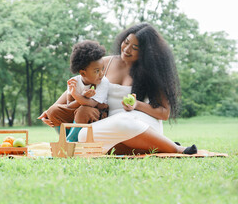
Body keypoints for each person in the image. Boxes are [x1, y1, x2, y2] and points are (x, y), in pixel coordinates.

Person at [38, 23, 197, 155]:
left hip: (142, 126)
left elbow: (164, 113)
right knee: (84, 134)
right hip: (108, 126)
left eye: (135, 47)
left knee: (124, 120)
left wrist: (137, 105)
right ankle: (149, 147)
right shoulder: (104, 63)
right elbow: (80, 83)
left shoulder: (152, 72)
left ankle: (176, 148)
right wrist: (53, 108)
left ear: (145, 52)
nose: (127, 49)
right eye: (126, 42)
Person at [45, 40, 110, 141]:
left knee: (83, 110)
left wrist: (79, 97)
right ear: (83, 73)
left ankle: (70, 142)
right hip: (77, 114)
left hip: (97, 115)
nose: (101, 73)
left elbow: (91, 104)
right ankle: (65, 139)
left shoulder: (103, 82)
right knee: (53, 111)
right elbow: (70, 105)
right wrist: (79, 96)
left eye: (103, 69)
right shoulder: (74, 82)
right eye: (97, 71)